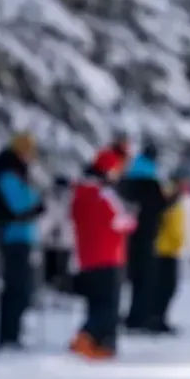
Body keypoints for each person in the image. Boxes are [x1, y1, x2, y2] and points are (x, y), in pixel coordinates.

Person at [70, 149, 135, 359]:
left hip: (86, 257)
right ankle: (86, 337)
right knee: (109, 306)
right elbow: (120, 221)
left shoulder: (79, 193)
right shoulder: (104, 194)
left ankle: (97, 344)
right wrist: (133, 219)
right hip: (109, 255)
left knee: (95, 302)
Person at [0, 132, 44, 350]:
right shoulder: (8, 176)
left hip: (21, 238)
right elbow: (20, 205)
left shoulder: (16, 174)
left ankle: (12, 334)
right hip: (14, 239)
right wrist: (37, 206)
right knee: (15, 289)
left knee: (20, 289)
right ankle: (8, 336)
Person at [118, 142, 178, 331]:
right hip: (148, 236)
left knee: (135, 280)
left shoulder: (126, 181)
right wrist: (174, 197)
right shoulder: (150, 182)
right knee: (146, 280)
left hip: (128, 237)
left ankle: (133, 317)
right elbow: (160, 205)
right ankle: (141, 318)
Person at [151, 174, 190, 334]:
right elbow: (172, 226)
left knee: (168, 287)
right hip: (165, 249)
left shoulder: (175, 200)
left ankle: (160, 317)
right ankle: (157, 318)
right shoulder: (170, 200)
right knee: (165, 286)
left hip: (169, 249)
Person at [39, 175, 75, 294]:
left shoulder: (72, 200)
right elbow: (44, 218)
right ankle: (49, 292)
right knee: (49, 271)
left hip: (65, 242)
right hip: (49, 242)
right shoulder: (48, 199)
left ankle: (63, 293)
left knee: (63, 271)